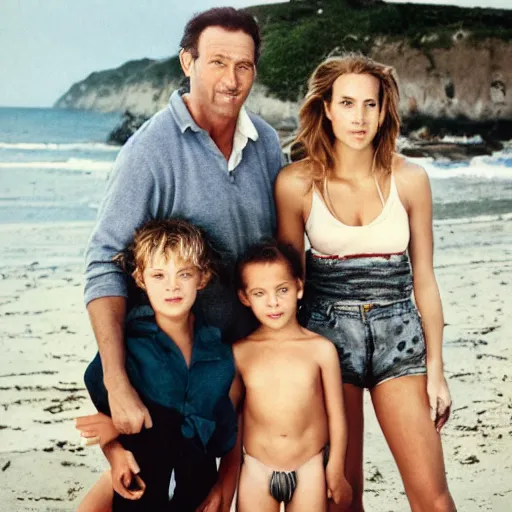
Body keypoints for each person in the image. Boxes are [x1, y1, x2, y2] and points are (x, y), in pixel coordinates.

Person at [83, 6, 283, 441]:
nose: (231, 80)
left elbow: (280, 252)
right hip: (173, 369)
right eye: (217, 63)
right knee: (155, 489)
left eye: (243, 66)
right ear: (187, 62)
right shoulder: (148, 151)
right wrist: (117, 386)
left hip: (251, 357)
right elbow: (103, 263)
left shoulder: (266, 142)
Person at [275, 54, 456, 511]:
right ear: (327, 108)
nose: (359, 117)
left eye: (370, 105)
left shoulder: (410, 179)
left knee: (433, 499)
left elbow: (425, 281)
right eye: (348, 103)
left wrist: (437, 370)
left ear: (383, 111)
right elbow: (289, 286)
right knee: (342, 496)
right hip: (327, 338)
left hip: (401, 337)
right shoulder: (295, 184)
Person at [77, 219, 241, 512]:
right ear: (140, 279)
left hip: (196, 496)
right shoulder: (128, 350)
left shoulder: (220, 356)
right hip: (138, 494)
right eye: (159, 275)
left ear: (202, 278)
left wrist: (222, 489)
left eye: (184, 274)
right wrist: (115, 452)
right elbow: (107, 423)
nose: (172, 286)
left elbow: (225, 438)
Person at [232, 241, 352, 512]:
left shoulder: (321, 350)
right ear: (244, 297)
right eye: (259, 293)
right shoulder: (240, 353)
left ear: (298, 287)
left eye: (282, 290)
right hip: (256, 467)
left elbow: (337, 416)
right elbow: (233, 421)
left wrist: (335, 468)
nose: (273, 302)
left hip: (309, 465)